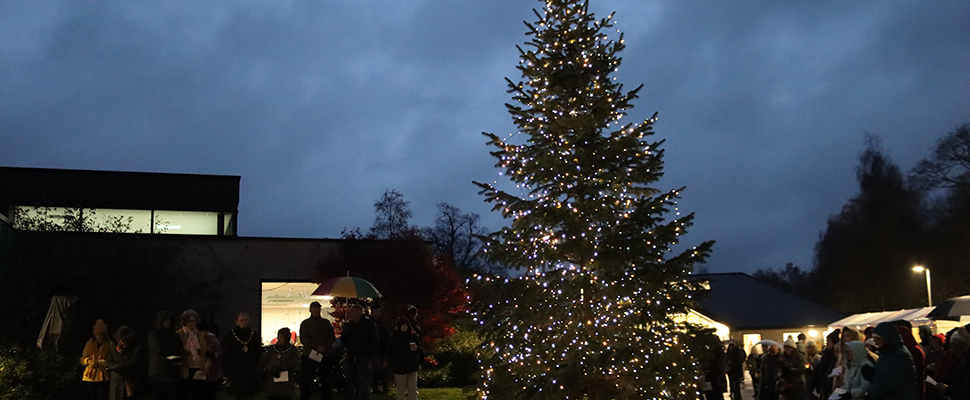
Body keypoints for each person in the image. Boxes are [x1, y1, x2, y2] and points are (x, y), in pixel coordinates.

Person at [868, 322, 919, 400]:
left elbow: (894, 383)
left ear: (887, 339)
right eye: (874, 339)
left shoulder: (900, 356)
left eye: (878, 339)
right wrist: (871, 375)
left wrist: (874, 391)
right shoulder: (886, 353)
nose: (875, 342)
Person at [177, 309, 218, 400]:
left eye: (194, 320)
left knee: (197, 394)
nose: (192, 323)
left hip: (199, 368)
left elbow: (206, 351)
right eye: (190, 321)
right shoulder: (180, 334)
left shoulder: (201, 334)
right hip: (185, 368)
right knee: (184, 394)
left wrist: (207, 366)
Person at [299, 301, 336, 400]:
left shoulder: (325, 323)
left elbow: (331, 337)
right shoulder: (306, 324)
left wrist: (324, 346)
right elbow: (304, 339)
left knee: (326, 379)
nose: (316, 310)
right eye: (314, 308)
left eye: (317, 308)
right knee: (307, 379)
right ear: (310, 310)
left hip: (323, 353)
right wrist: (317, 346)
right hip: (311, 353)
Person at [342, 304, 380, 400]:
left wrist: (367, 354)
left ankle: (364, 397)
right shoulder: (349, 325)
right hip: (351, 355)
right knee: (349, 379)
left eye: (353, 312)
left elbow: (374, 341)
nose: (351, 314)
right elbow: (343, 340)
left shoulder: (369, 324)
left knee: (363, 380)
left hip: (363, 356)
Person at [223, 312, 261, 400]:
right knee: (235, 395)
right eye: (241, 320)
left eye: (246, 320)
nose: (244, 322)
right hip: (235, 369)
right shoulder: (231, 335)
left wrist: (255, 364)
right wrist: (225, 372)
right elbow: (226, 353)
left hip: (249, 369)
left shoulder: (253, 334)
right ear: (237, 322)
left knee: (248, 395)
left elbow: (258, 351)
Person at [148, 311, 182, 400]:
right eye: (165, 320)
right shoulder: (154, 334)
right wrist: (173, 350)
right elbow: (159, 349)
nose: (168, 322)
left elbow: (179, 349)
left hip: (172, 373)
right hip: (158, 373)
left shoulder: (174, 335)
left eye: (169, 320)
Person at [106, 326, 145, 400]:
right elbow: (108, 361)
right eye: (119, 339)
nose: (121, 341)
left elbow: (134, 363)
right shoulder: (113, 348)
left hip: (130, 381)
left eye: (124, 339)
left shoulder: (136, 349)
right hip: (116, 382)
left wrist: (120, 366)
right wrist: (112, 366)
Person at [261, 328, 300, 400]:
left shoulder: (292, 349)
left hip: (286, 383)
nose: (279, 339)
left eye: (281, 337)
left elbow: (294, 362)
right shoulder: (272, 349)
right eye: (278, 337)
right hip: (273, 382)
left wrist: (281, 367)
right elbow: (265, 361)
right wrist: (271, 368)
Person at [388, 317, 422, 400]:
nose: (405, 326)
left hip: (412, 365)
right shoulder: (394, 337)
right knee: (401, 390)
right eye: (403, 325)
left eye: (406, 325)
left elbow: (421, 348)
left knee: (412, 389)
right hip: (399, 366)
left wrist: (417, 348)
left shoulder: (413, 336)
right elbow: (390, 352)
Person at [81, 319, 112, 400]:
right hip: (90, 376)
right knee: (92, 396)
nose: (99, 337)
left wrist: (101, 363)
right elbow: (82, 358)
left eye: (101, 334)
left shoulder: (109, 344)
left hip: (103, 376)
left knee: (102, 396)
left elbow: (111, 359)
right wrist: (88, 361)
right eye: (97, 335)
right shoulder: (89, 344)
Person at [811, 330, 840, 400]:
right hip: (822, 386)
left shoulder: (835, 357)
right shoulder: (825, 355)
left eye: (828, 342)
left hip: (828, 387)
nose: (827, 344)